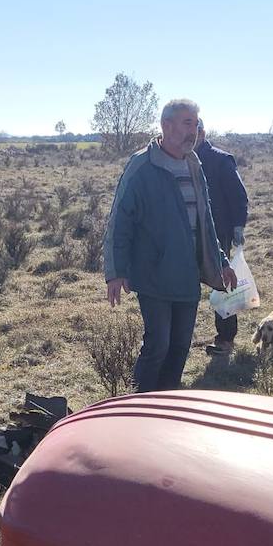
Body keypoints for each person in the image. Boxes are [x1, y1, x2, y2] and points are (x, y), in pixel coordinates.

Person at [104, 99, 237, 392]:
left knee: (179, 347)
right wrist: (116, 271)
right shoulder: (142, 165)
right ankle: (138, 405)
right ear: (167, 126)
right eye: (188, 123)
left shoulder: (194, 164)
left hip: (187, 274)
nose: (195, 130)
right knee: (158, 345)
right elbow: (119, 220)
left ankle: (165, 402)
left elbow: (205, 220)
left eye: (196, 123)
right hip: (153, 273)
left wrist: (221, 261)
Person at [194, 119, 250, 355]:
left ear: (202, 133)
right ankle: (178, 340)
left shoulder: (220, 160)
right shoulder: (176, 159)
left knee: (223, 285)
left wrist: (238, 226)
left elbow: (239, 196)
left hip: (219, 234)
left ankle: (225, 340)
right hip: (185, 234)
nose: (188, 135)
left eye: (193, 130)